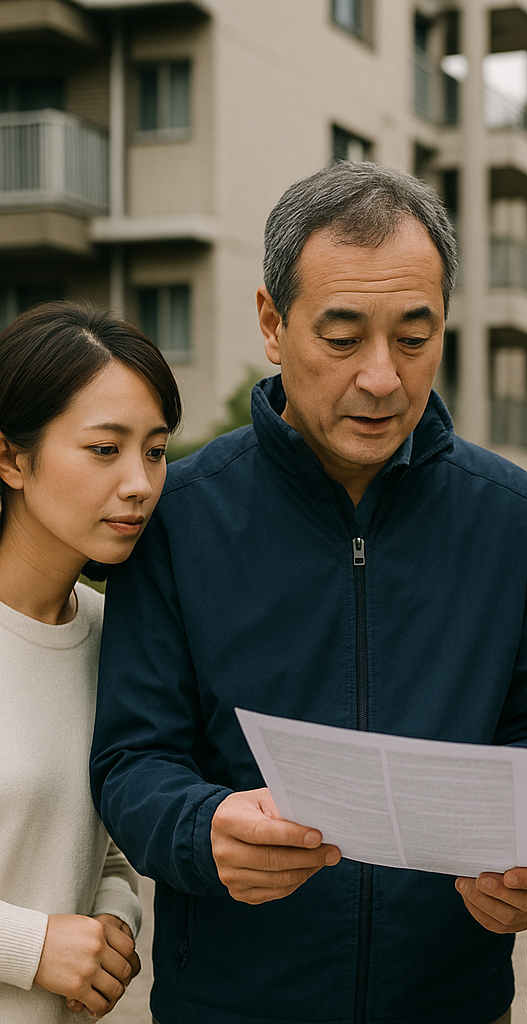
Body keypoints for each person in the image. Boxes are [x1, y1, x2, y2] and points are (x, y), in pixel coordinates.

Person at [90, 160, 527, 1024]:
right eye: (344, 337)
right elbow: (133, 757)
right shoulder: (181, 516)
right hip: (232, 1005)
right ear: (272, 323)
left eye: (414, 337)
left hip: (453, 1004)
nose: (382, 378)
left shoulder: (511, 516)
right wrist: (204, 829)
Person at [0, 301, 182, 1021]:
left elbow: (100, 847)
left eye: (156, 451)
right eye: (105, 449)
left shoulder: (115, 634)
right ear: (11, 458)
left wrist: (114, 919)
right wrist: (29, 945)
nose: (139, 482)